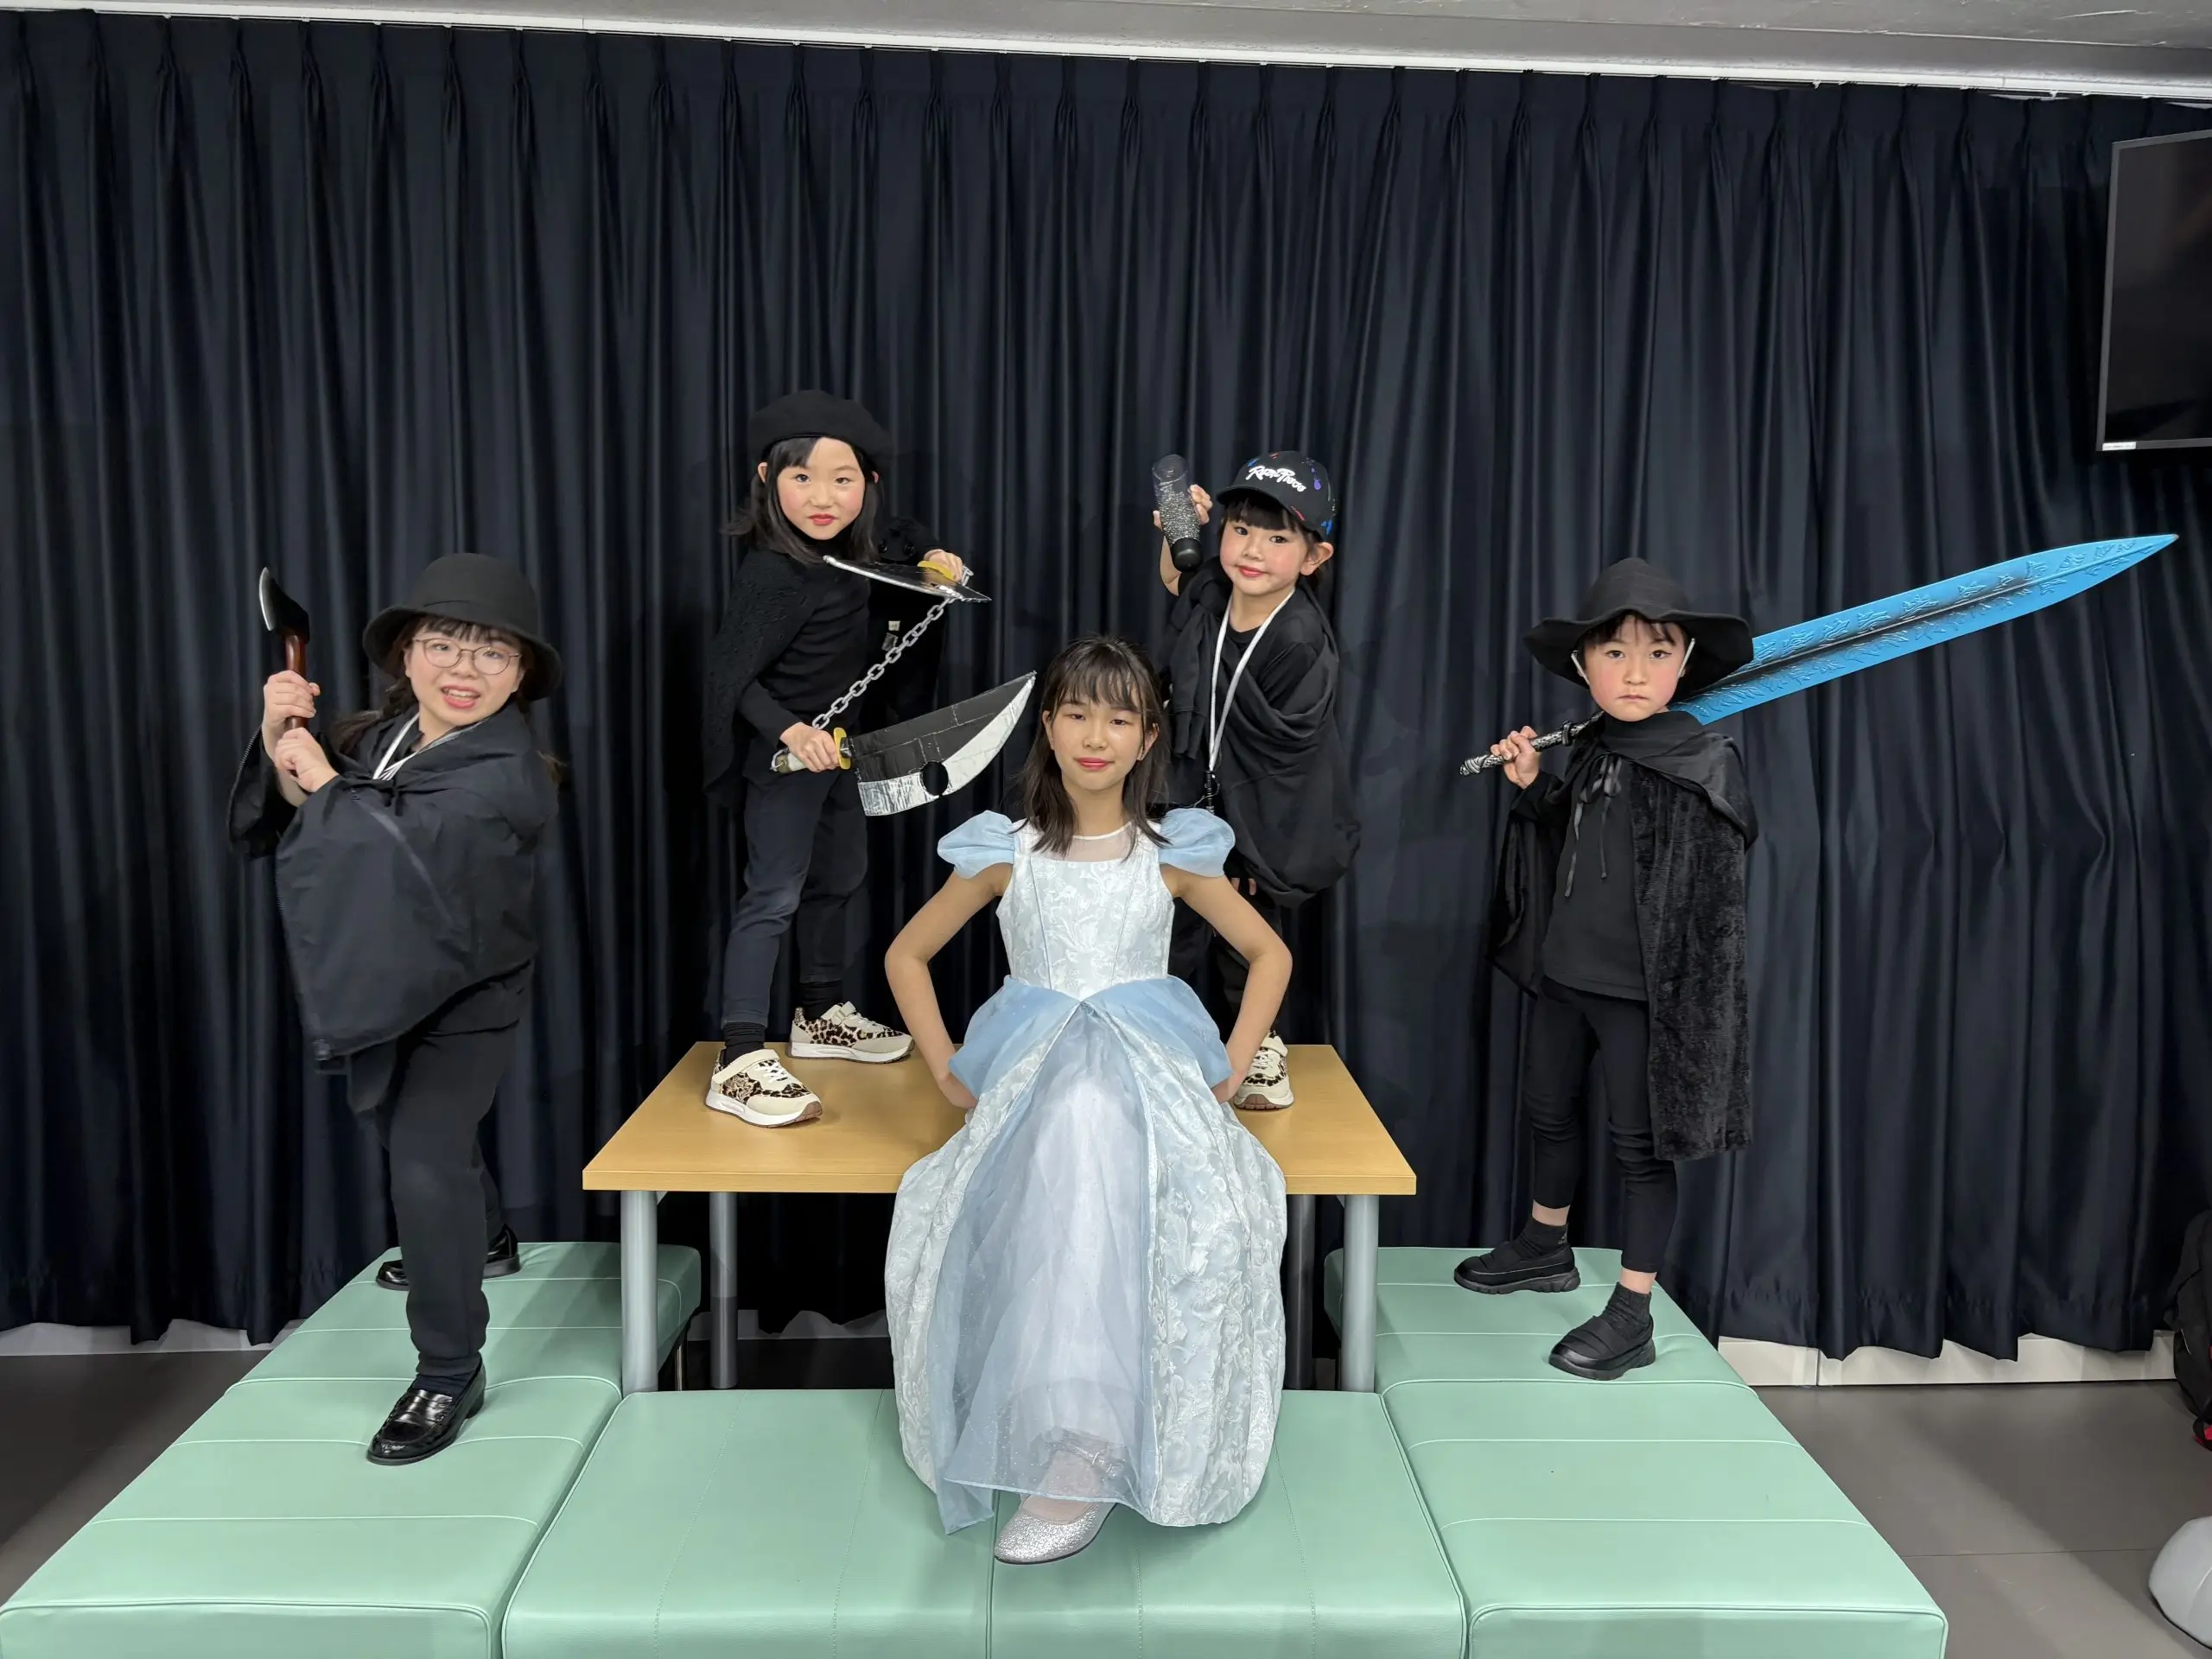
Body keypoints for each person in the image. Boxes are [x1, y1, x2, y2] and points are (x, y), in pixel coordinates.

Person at [880, 636, 1289, 1566]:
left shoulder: (1170, 853)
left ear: (1148, 738)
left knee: (1107, 1158)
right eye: (1076, 714)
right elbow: (907, 955)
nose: (1095, 736)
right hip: (1035, 1076)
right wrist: (945, 1068)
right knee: (1063, 1164)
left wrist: (1231, 1066)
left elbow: (1270, 954)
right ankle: (1064, 1426)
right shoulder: (1007, 852)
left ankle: (1093, 1441)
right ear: (1048, 726)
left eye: (1118, 718)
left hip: (1147, 1077)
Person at [229, 554, 563, 1463]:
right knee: (404, 1135)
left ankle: (448, 1369)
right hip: (392, 975)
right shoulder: (383, 738)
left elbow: (401, 848)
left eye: (492, 654)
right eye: (443, 645)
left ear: (520, 675)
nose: (464, 669)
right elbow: (312, 818)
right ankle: (484, 1237)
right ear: (406, 656)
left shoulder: (510, 774)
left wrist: (325, 783)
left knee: (423, 1161)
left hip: (471, 989)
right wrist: (280, 739)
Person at [1456, 558, 1758, 1381]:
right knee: (1547, 1112)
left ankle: (1633, 1312)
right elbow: (1576, 845)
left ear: (1684, 663)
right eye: (1614, 653)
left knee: (1640, 1150)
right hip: (1567, 974)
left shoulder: (1704, 761)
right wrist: (1533, 785)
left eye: (1656, 653)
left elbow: (1710, 910)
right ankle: (1544, 1245)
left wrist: (1688, 1013)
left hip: (1640, 994)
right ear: (1582, 664)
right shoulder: (1591, 745)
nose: (1634, 672)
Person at [700, 391, 967, 1126]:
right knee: (773, 895)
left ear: (869, 484)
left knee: (840, 877)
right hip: (786, 761)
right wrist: (789, 732)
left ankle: (818, 1015)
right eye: (802, 478)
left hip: (844, 754)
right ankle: (739, 1056)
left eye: (842, 479)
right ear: (767, 479)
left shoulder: (861, 558)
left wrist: (935, 562)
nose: (823, 498)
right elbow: (730, 678)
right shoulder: (770, 574)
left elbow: (909, 550)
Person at [1154, 452, 1359, 1109]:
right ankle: (1150, 1038)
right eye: (1241, 530)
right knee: (1167, 924)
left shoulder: (1299, 640)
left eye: (1277, 539)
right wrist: (1175, 534)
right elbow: (1178, 582)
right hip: (1192, 786)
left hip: (1261, 813)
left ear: (1314, 558)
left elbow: (1286, 758)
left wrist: (1244, 844)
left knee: (1245, 929)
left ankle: (1260, 1042)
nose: (1252, 551)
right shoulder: (1215, 588)